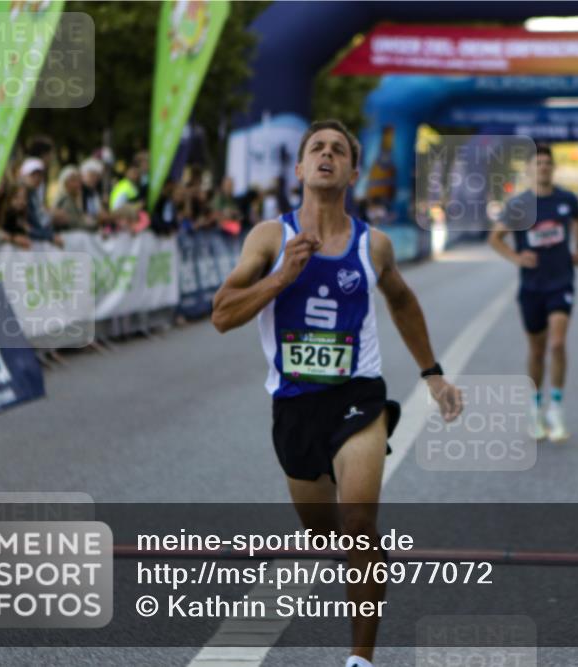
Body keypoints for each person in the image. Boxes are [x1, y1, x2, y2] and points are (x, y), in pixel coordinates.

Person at [210, 119, 462, 667]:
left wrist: (432, 373)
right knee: (328, 539)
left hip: (358, 396)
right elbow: (222, 316)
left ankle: (360, 659)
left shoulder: (375, 246)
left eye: (338, 151)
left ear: (350, 171)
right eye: (316, 149)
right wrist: (280, 278)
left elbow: (402, 301)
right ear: (300, 169)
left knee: (358, 523)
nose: (327, 155)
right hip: (295, 405)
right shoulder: (269, 239)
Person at [488, 144, 578, 442]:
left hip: (561, 282)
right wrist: (517, 258)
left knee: (557, 343)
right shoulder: (519, 205)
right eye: (538, 163)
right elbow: (495, 238)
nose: (543, 167)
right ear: (530, 169)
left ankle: (556, 408)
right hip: (531, 288)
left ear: (553, 168)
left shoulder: (567, 199)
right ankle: (534, 406)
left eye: (547, 163)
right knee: (537, 350)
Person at [54, 166, 98, 232]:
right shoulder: (65, 201)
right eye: (74, 181)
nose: (78, 184)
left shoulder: (73, 199)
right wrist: (95, 224)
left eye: (78, 180)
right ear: (65, 183)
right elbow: (74, 224)